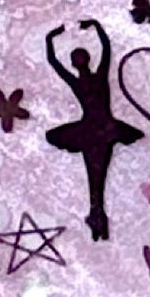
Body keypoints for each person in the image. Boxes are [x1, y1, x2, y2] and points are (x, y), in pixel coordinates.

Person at [43, 20, 142, 241]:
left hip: (94, 129)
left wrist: (52, 37)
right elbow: (105, 48)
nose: (77, 62)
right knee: (96, 176)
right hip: (102, 128)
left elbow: (55, 61)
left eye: (77, 59)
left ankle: (97, 217)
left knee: (96, 177)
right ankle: (98, 218)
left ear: (77, 63)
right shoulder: (96, 76)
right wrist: (95, 26)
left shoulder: (82, 80)